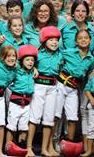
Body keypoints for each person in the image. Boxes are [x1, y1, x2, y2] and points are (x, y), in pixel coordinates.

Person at [55, 29, 94, 152]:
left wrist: (90, 77)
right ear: (76, 42)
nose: (83, 40)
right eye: (80, 38)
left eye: (86, 38)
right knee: (56, 115)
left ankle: (69, 143)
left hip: (74, 89)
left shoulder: (91, 59)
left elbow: (87, 76)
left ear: (90, 40)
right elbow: (57, 58)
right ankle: (54, 140)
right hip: (61, 85)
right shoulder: (68, 52)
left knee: (72, 117)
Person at [26, 26, 62, 157]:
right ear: (44, 41)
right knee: (34, 117)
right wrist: (34, 68)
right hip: (39, 86)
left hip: (53, 87)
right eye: (51, 39)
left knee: (49, 119)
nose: (54, 42)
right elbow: (26, 64)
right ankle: (29, 147)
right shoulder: (37, 54)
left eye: (56, 40)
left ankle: (45, 148)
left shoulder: (61, 54)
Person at [5, 45, 38, 146]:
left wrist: (35, 68)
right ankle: (8, 146)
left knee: (24, 127)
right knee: (12, 126)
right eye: (27, 60)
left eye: (32, 60)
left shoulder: (33, 72)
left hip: (27, 104)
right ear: (22, 60)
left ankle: (21, 145)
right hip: (15, 102)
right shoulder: (17, 70)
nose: (30, 62)